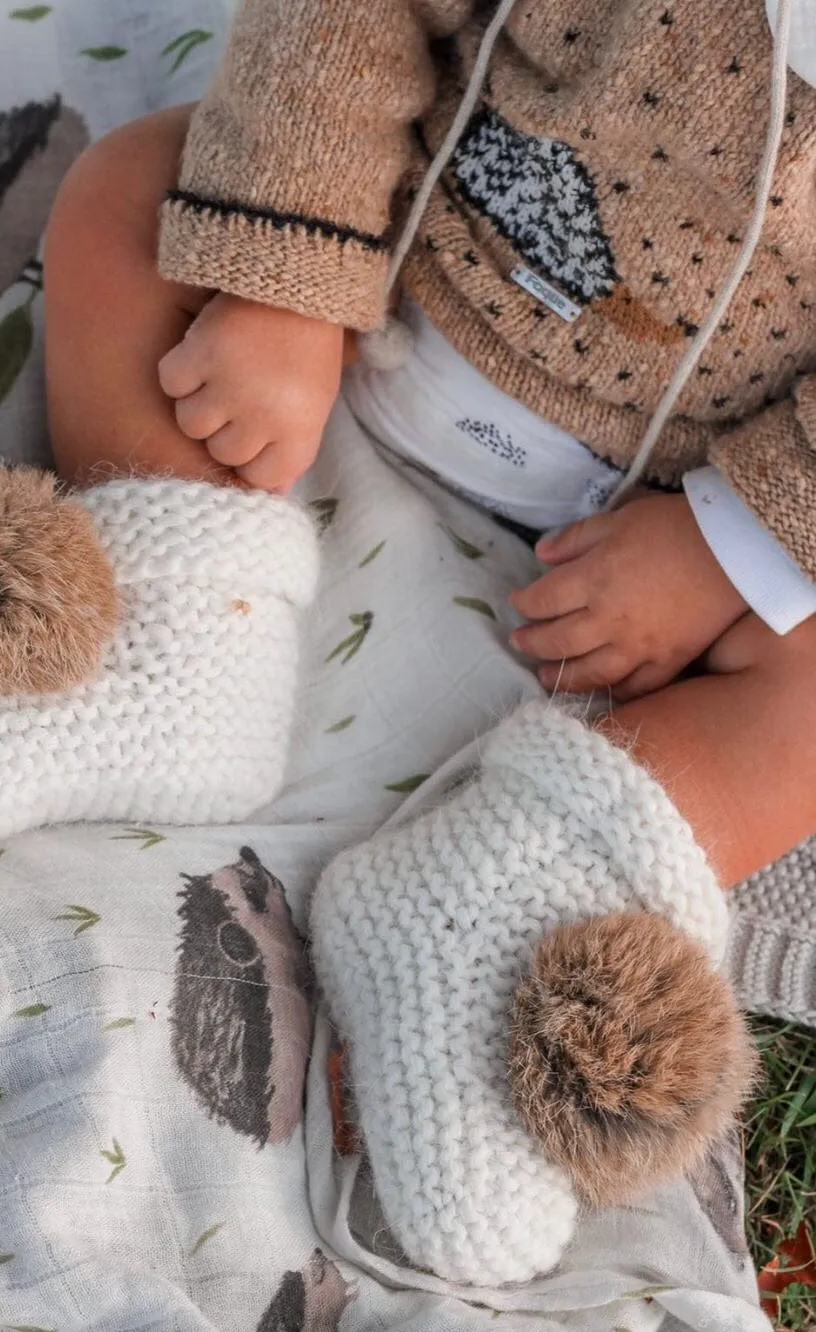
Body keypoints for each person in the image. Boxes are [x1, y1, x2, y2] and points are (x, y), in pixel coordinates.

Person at [42, 0, 816, 893]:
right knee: (128, 190)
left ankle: (516, 894)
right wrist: (286, 283)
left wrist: (727, 548)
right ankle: (173, 662)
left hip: (698, 478)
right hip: (391, 275)